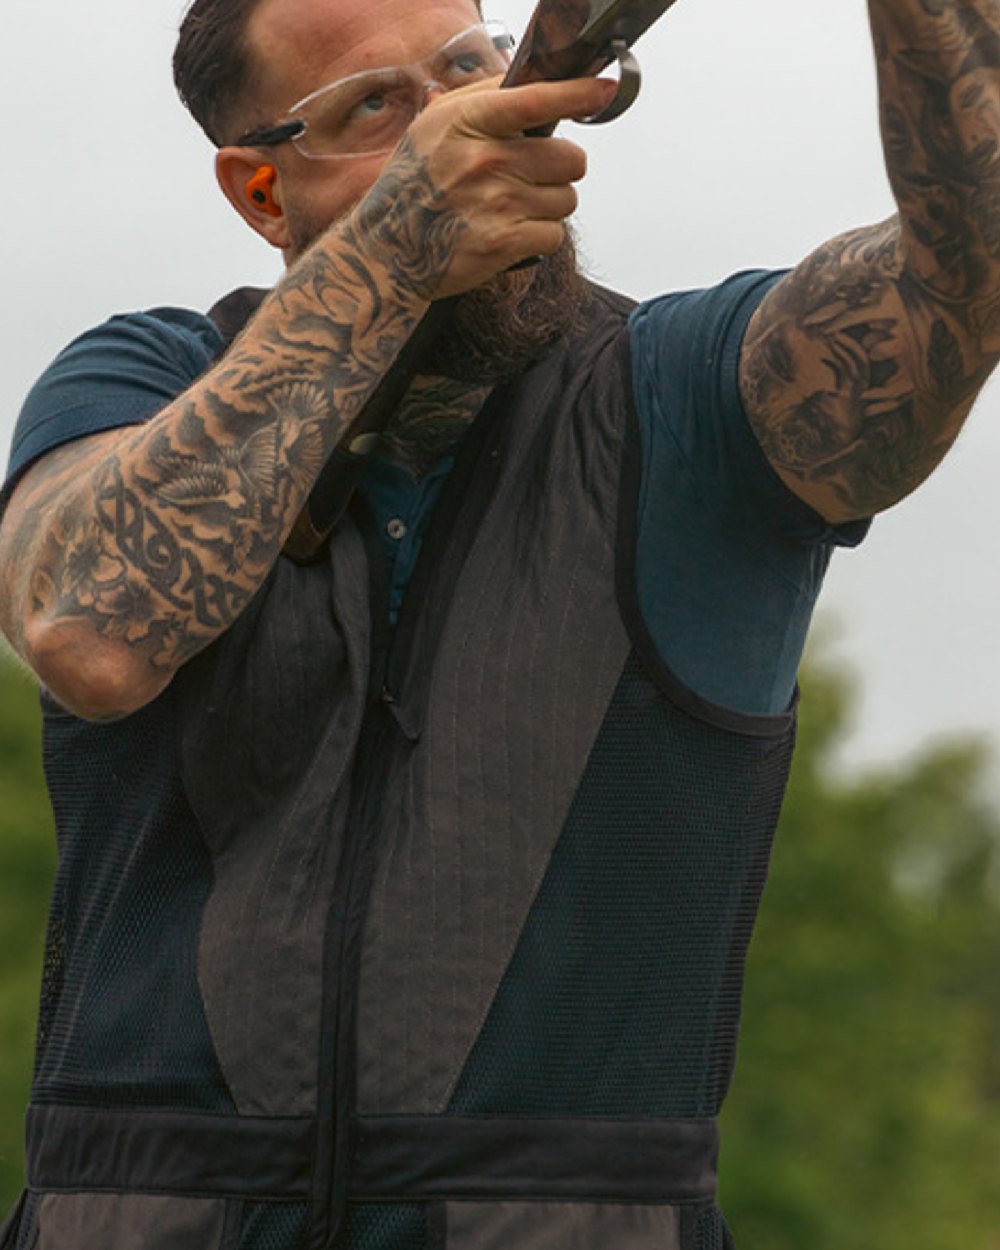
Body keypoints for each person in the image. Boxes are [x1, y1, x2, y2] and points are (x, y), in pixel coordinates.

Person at [1, 0, 998, 1246]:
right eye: (376, 108)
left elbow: (961, 273)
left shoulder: (683, 395)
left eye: (469, 69)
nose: (454, 127)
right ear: (260, 192)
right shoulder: (138, 380)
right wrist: (395, 255)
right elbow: (88, 630)